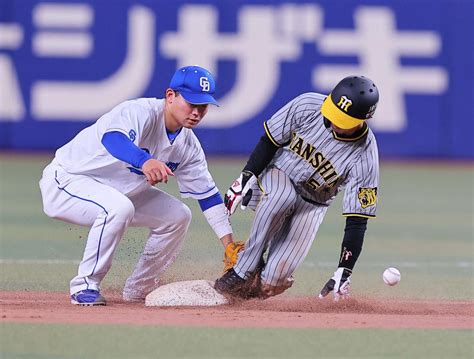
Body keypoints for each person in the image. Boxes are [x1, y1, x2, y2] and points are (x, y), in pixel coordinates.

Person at [39, 65, 238, 306]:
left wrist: (228, 245)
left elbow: (209, 198)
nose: (196, 112)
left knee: (177, 216)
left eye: (203, 106)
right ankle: (85, 285)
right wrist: (145, 161)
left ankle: (140, 287)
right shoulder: (139, 112)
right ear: (170, 96)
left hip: (117, 192)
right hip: (68, 181)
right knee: (118, 208)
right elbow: (113, 138)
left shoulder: (188, 146)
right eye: (191, 103)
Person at [215, 75, 380, 301]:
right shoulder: (308, 105)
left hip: (313, 204)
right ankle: (242, 271)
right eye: (334, 112)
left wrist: (345, 269)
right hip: (277, 176)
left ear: (362, 120)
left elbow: (357, 219)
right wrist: (247, 176)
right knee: (282, 198)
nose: (333, 121)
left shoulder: (365, 155)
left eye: (342, 119)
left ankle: (245, 293)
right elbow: (270, 140)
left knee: (272, 282)